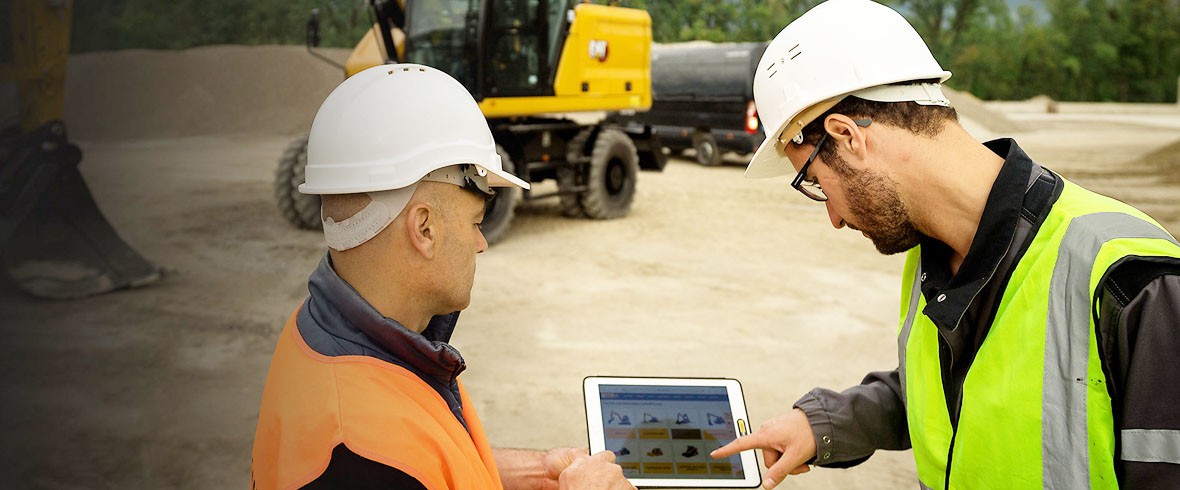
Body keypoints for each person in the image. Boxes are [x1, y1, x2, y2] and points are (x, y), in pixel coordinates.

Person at [711, 0, 1180, 488]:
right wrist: (824, 424)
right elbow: (950, 395)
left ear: (847, 136)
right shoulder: (928, 253)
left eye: (815, 182)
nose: (833, 216)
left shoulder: (1127, 275)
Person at [251, 64, 633, 490]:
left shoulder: (321, 333)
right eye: (475, 222)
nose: (481, 243)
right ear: (425, 228)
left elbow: (420, 462)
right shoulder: (358, 454)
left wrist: (533, 469)